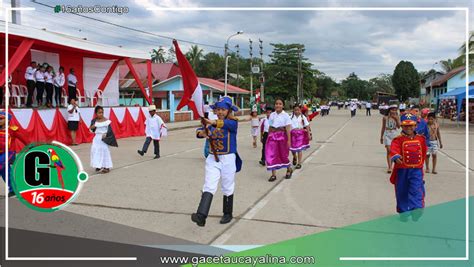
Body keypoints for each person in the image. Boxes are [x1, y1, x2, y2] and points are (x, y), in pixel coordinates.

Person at [191, 96, 242, 227]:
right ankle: (201, 215)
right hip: (212, 158)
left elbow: (226, 125)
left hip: (228, 159)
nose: (220, 112)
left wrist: (212, 123)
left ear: (229, 111)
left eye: (223, 110)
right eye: (218, 109)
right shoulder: (211, 122)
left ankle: (227, 213)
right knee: (209, 185)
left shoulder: (233, 122)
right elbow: (199, 132)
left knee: (227, 186)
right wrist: (202, 133)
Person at [389, 113, 427, 221]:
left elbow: (423, 152)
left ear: (415, 126)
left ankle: (417, 209)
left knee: (416, 189)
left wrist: (420, 165)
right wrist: (396, 156)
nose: (409, 128)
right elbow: (394, 149)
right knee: (402, 191)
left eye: (411, 125)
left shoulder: (421, 139)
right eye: (406, 126)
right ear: (402, 126)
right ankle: (403, 212)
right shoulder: (398, 139)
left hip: (416, 170)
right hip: (402, 170)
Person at [0, 110, 27, 197]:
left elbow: (24, 138)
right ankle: (13, 189)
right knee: (5, 171)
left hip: (9, 153)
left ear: (7, 120)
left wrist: (30, 146)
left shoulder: (12, 129)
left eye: (1, 119)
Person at [266, 98, 292, 182]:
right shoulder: (272, 115)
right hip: (272, 136)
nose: (278, 105)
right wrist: (268, 137)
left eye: (280, 104)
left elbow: (288, 128)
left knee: (283, 155)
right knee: (271, 154)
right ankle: (273, 174)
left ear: (283, 105)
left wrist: (289, 140)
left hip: (282, 137)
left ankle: (288, 169)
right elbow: (270, 126)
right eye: (276, 103)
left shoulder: (286, 115)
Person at [90, 105, 117, 173]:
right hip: (96, 139)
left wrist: (106, 134)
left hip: (104, 138)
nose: (101, 114)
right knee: (95, 151)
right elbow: (91, 130)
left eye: (102, 112)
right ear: (96, 113)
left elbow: (110, 131)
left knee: (105, 151)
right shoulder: (94, 121)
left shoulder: (106, 121)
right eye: (99, 113)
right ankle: (98, 166)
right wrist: (92, 127)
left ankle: (106, 167)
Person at [290, 104, 311, 169]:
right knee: (293, 149)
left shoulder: (302, 117)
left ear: (300, 110)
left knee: (299, 149)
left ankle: (299, 163)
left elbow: (307, 125)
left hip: (300, 134)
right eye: (295, 110)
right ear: (293, 110)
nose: (297, 111)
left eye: (298, 110)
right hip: (292, 134)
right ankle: (294, 156)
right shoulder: (290, 117)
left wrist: (308, 134)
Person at [380, 104, 400, 173]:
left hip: (394, 134)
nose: (393, 111)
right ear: (389, 110)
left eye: (395, 110)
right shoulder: (385, 117)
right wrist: (381, 137)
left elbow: (399, 127)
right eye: (392, 109)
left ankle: (392, 165)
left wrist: (396, 119)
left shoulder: (397, 117)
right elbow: (383, 127)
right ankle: (390, 167)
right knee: (389, 150)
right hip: (387, 134)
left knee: (393, 151)